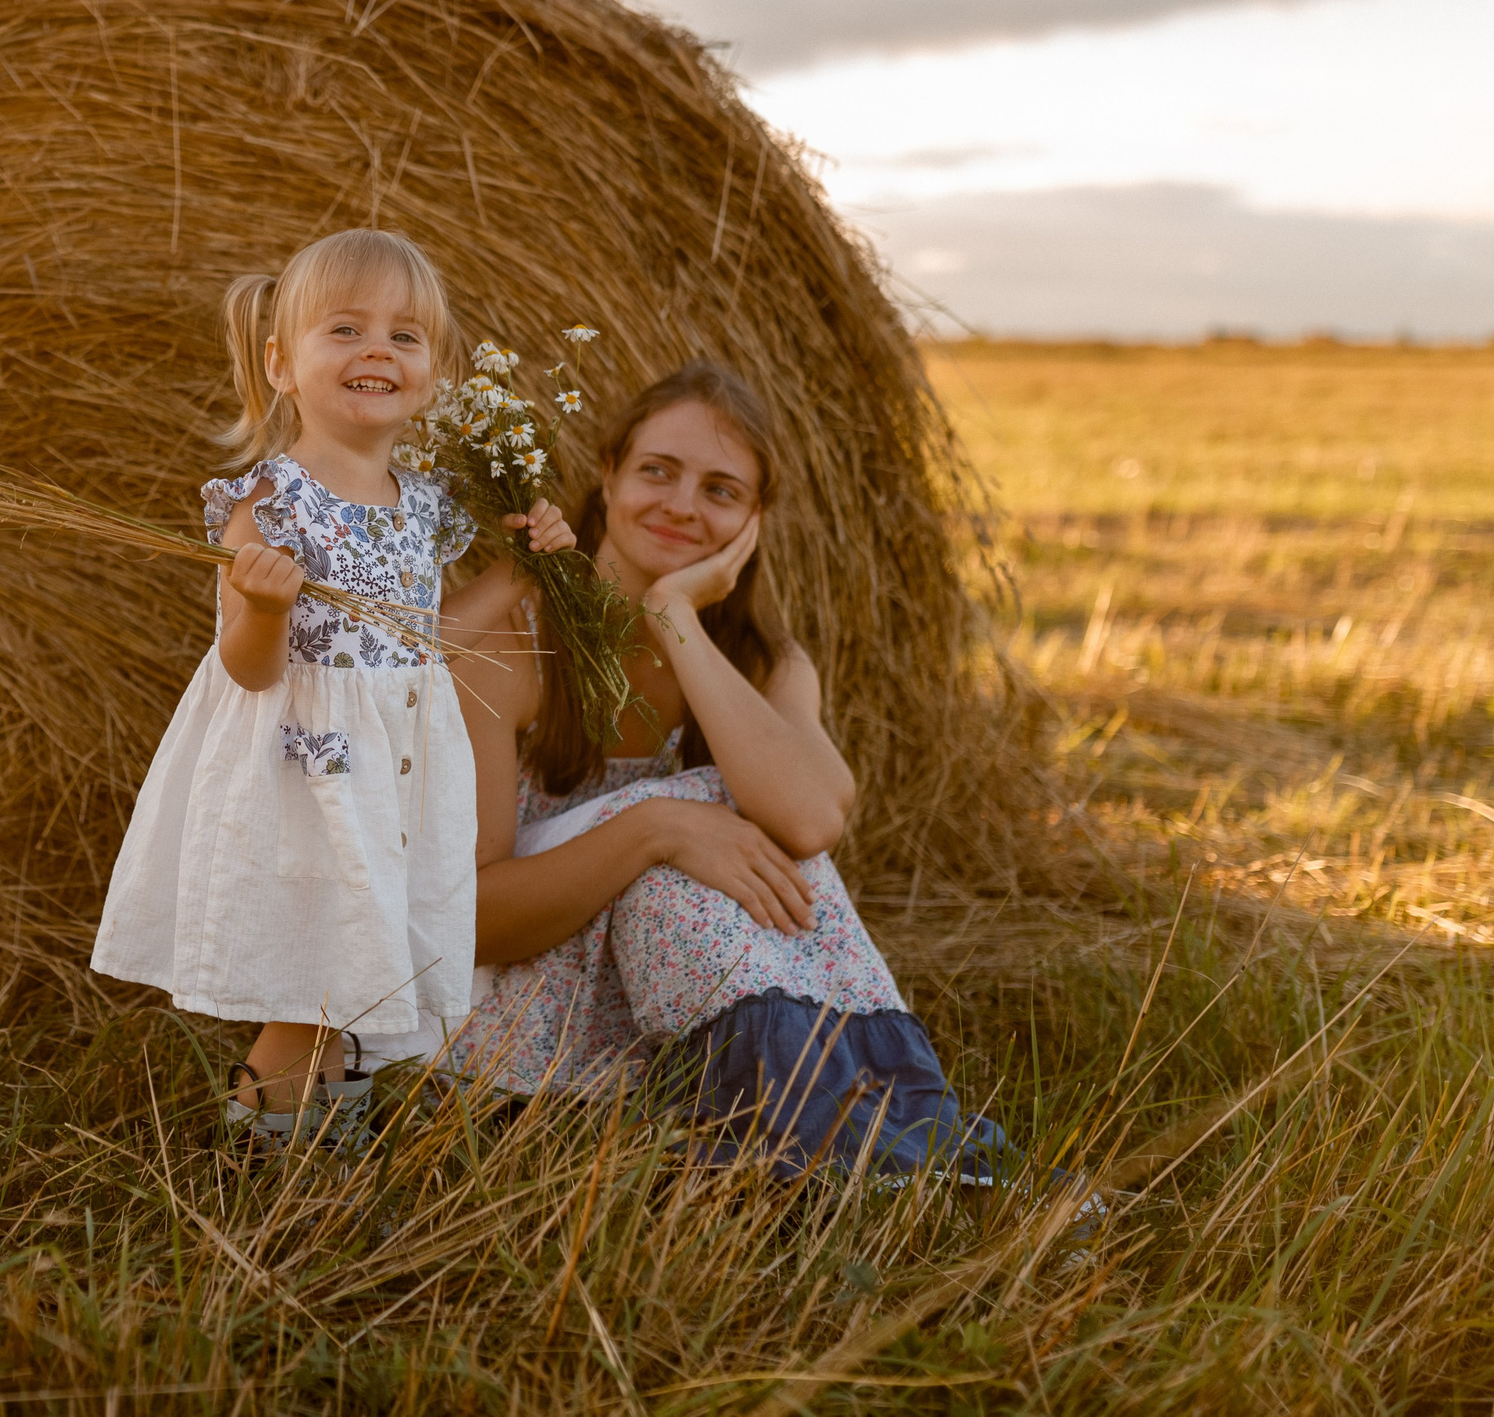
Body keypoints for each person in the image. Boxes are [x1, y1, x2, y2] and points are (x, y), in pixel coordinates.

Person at [424, 358, 1009, 1178]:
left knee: (749, 806)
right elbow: (471, 920)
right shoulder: (511, 649)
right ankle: (854, 1140)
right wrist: (658, 829)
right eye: (658, 471)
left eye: (721, 490)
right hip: (517, 1040)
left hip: (672, 1027)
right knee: (694, 802)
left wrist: (674, 617)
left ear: (755, 520)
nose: (681, 505)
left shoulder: (766, 663)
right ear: (608, 474)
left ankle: (826, 1140)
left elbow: (810, 820)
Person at [89, 228, 572, 1149]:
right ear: (281, 363)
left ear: (433, 372)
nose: (377, 351)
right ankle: (264, 1157)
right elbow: (248, 666)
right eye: (345, 330)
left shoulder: (425, 504)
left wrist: (519, 576)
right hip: (302, 769)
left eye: (405, 336)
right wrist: (262, 611)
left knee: (357, 970)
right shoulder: (270, 499)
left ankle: (318, 1150)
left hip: (393, 770)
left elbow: (423, 643)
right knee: (318, 979)